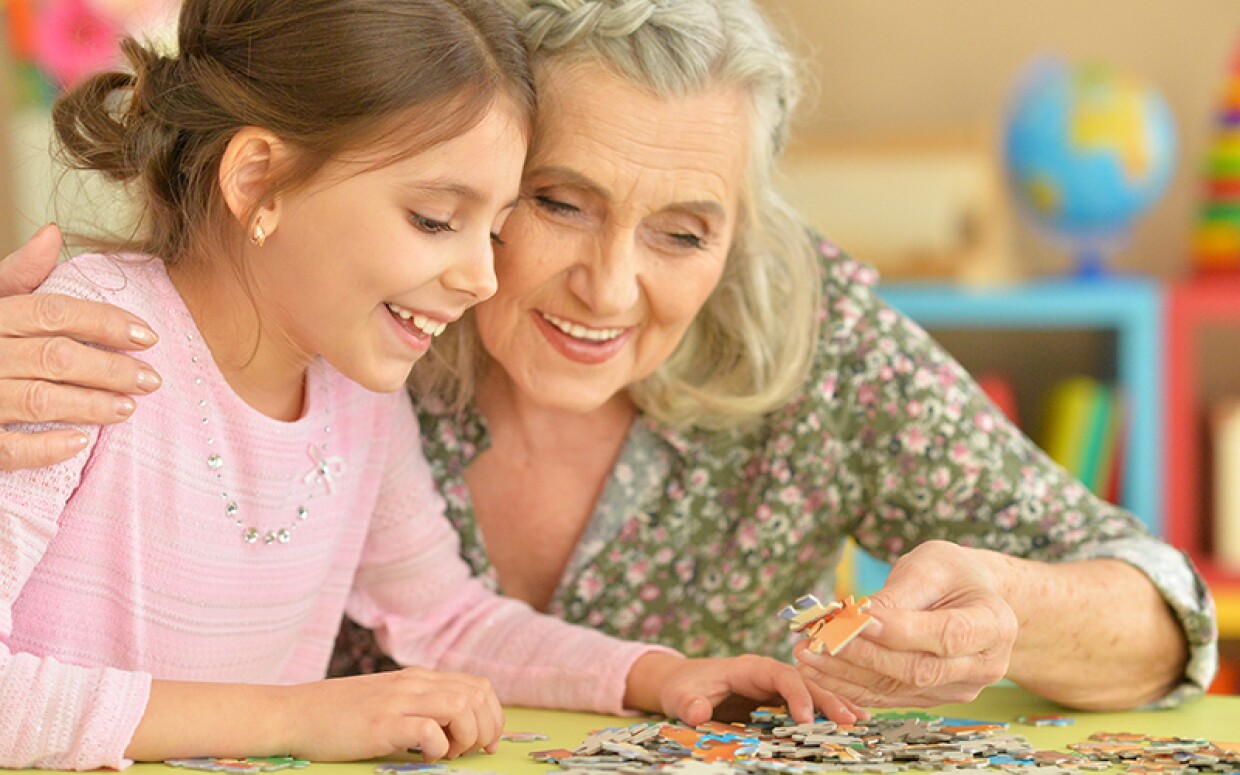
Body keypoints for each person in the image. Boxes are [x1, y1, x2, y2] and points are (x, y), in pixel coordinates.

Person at [0, 0, 1217, 720]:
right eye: (554, 202)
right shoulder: (349, 322)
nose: (608, 284)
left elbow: (1162, 604)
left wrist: (1016, 619)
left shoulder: (820, 345)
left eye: (684, 231)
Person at [0, 0, 851, 769]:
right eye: (436, 220)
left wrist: (661, 675)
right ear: (257, 178)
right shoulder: (70, 347)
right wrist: (293, 718)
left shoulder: (356, 394)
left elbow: (447, 619)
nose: (482, 276)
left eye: (498, 223)